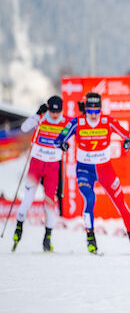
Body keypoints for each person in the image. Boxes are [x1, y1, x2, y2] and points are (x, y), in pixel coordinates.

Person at [55, 92, 130, 254]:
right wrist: (62, 145)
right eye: (90, 111)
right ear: (85, 110)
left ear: (100, 110)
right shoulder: (77, 122)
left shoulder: (107, 121)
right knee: (90, 199)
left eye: (96, 111)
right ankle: (91, 239)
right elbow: (59, 139)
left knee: (122, 204)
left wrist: (128, 141)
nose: (93, 115)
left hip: (105, 170)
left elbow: (128, 135)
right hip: (85, 170)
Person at [13, 96, 69, 252]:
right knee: (28, 198)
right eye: (52, 111)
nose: (55, 115)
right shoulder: (42, 118)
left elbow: (77, 130)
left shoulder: (65, 121)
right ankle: (19, 228)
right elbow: (24, 128)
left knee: (50, 202)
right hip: (36, 164)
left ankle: (47, 238)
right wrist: (37, 114)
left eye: (57, 112)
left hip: (52, 166)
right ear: (48, 108)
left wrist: (66, 145)